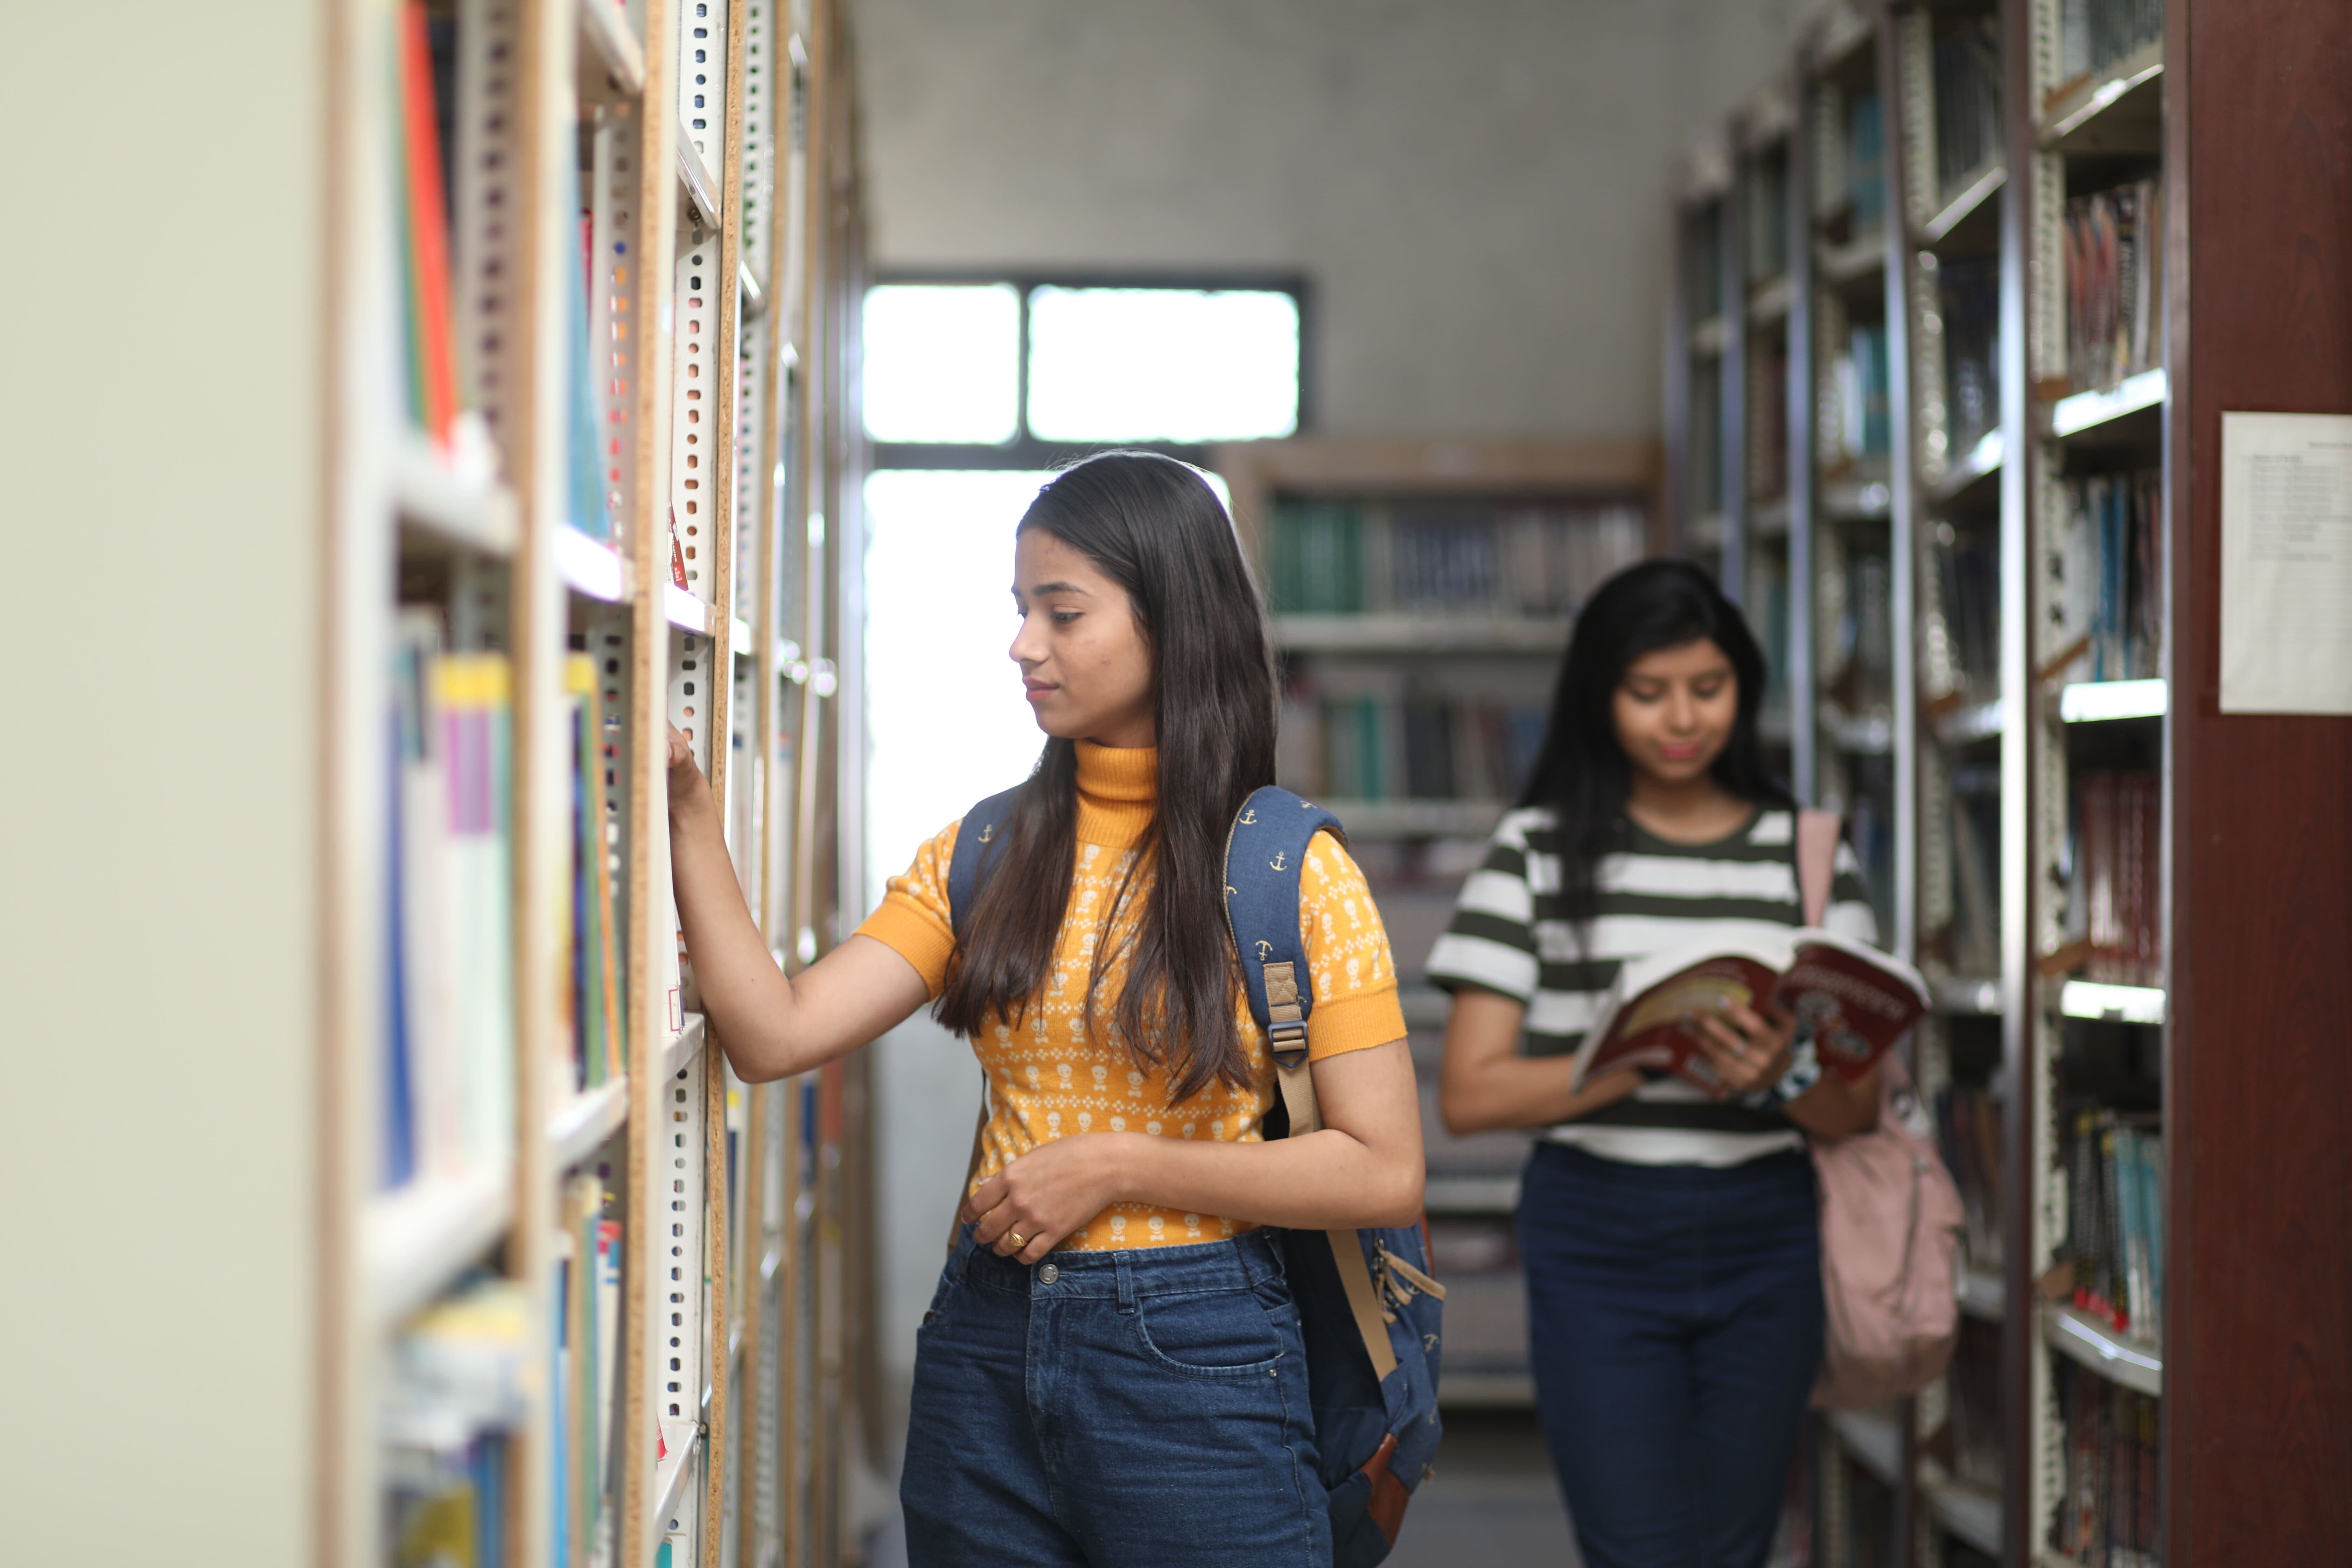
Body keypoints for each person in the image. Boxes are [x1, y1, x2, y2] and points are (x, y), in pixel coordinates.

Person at [663, 451, 1423, 1566]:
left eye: (1062, 613)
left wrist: (1119, 1165)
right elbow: (775, 1034)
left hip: (1201, 1352)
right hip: (986, 1344)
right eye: (1022, 611)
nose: (1024, 645)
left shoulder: (1289, 869)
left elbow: (1382, 1167)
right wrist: (685, 814)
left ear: (1172, 619)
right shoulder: (989, 848)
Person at [1424, 559, 1881, 1568]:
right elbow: (1469, 1094)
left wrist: (1780, 1078)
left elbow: (1858, 1112)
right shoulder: (1537, 854)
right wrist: (1643, 1060)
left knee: (1734, 1547)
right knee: (1638, 1549)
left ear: (1744, 689)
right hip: (1598, 1235)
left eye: (1708, 689)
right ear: (1601, 698)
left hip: (1767, 1234)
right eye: (1648, 693)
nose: (1683, 719)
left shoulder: (1807, 855)